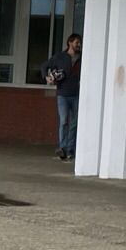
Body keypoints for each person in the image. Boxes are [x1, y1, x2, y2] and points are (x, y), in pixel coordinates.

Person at [43, 31, 84, 161]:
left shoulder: (83, 57)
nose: (79, 45)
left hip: (76, 94)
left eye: (80, 43)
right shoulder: (60, 57)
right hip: (62, 95)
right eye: (77, 42)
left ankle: (70, 150)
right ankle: (63, 148)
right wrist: (47, 78)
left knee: (75, 123)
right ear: (70, 43)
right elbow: (45, 66)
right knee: (64, 121)